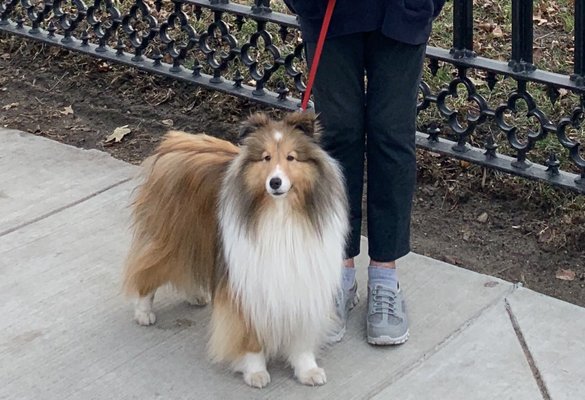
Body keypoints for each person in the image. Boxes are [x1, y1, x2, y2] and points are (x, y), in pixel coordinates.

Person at [283, 0, 446, 345]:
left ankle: (385, 275)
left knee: (392, 134)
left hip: (401, 11)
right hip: (329, 10)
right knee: (338, 134)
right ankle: (337, 272)